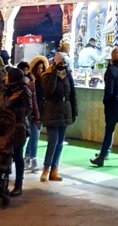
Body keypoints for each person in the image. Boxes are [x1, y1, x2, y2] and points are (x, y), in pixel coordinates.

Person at [90, 45, 118, 168]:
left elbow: (109, 91)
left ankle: (101, 157)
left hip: (114, 104)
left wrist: (106, 102)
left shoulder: (111, 70)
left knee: (109, 131)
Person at [40, 51, 78, 181]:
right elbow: (49, 91)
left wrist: (74, 112)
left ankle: (54, 170)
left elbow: (72, 94)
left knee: (60, 143)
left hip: (65, 112)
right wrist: (54, 74)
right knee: (53, 141)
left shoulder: (68, 75)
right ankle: (46, 169)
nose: (63, 65)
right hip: (51, 112)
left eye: (64, 63)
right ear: (55, 63)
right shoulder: (46, 76)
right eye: (60, 63)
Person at [2, 66, 32, 197]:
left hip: (19, 128)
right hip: (5, 128)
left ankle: (18, 185)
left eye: (8, 76)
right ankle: (4, 182)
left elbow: (28, 109)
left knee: (18, 155)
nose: (6, 77)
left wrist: (12, 114)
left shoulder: (24, 90)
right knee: (4, 155)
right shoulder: (5, 90)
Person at [26, 55, 48, 173]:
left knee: (34, 136)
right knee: (35, 136)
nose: (40, 70)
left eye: (42, 68)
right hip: (33, 113)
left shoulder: (42, 81)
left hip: (39, 111)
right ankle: (33, 159)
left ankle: (27, 157)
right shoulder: (31, 81)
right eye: (38, 68)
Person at [18, 61, 40, 173]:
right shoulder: (16, 84)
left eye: (27, 69)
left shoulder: (31, 82)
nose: (25, 72)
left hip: (30, 115)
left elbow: (34, 101)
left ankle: (31, 158)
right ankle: (27, 158)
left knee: (34, 136)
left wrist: (36, 114)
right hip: (21, 117)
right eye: (23, 70)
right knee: (21, 141)